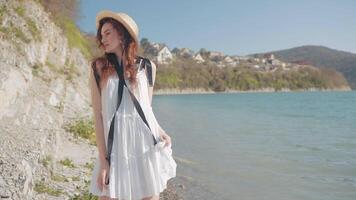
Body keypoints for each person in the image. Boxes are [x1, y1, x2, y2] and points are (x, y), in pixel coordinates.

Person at [88, 10, 177, 200]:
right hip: (116, 146)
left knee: (150, 196)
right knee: (108, 195)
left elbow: (146, 109)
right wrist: (104, 162)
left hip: (144, 144)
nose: (102, 38)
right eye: (101, 35)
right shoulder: (98, 68)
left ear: (122, 34)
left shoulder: (148, 67)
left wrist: (160, 130)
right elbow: (98, 116)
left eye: (108, 33)